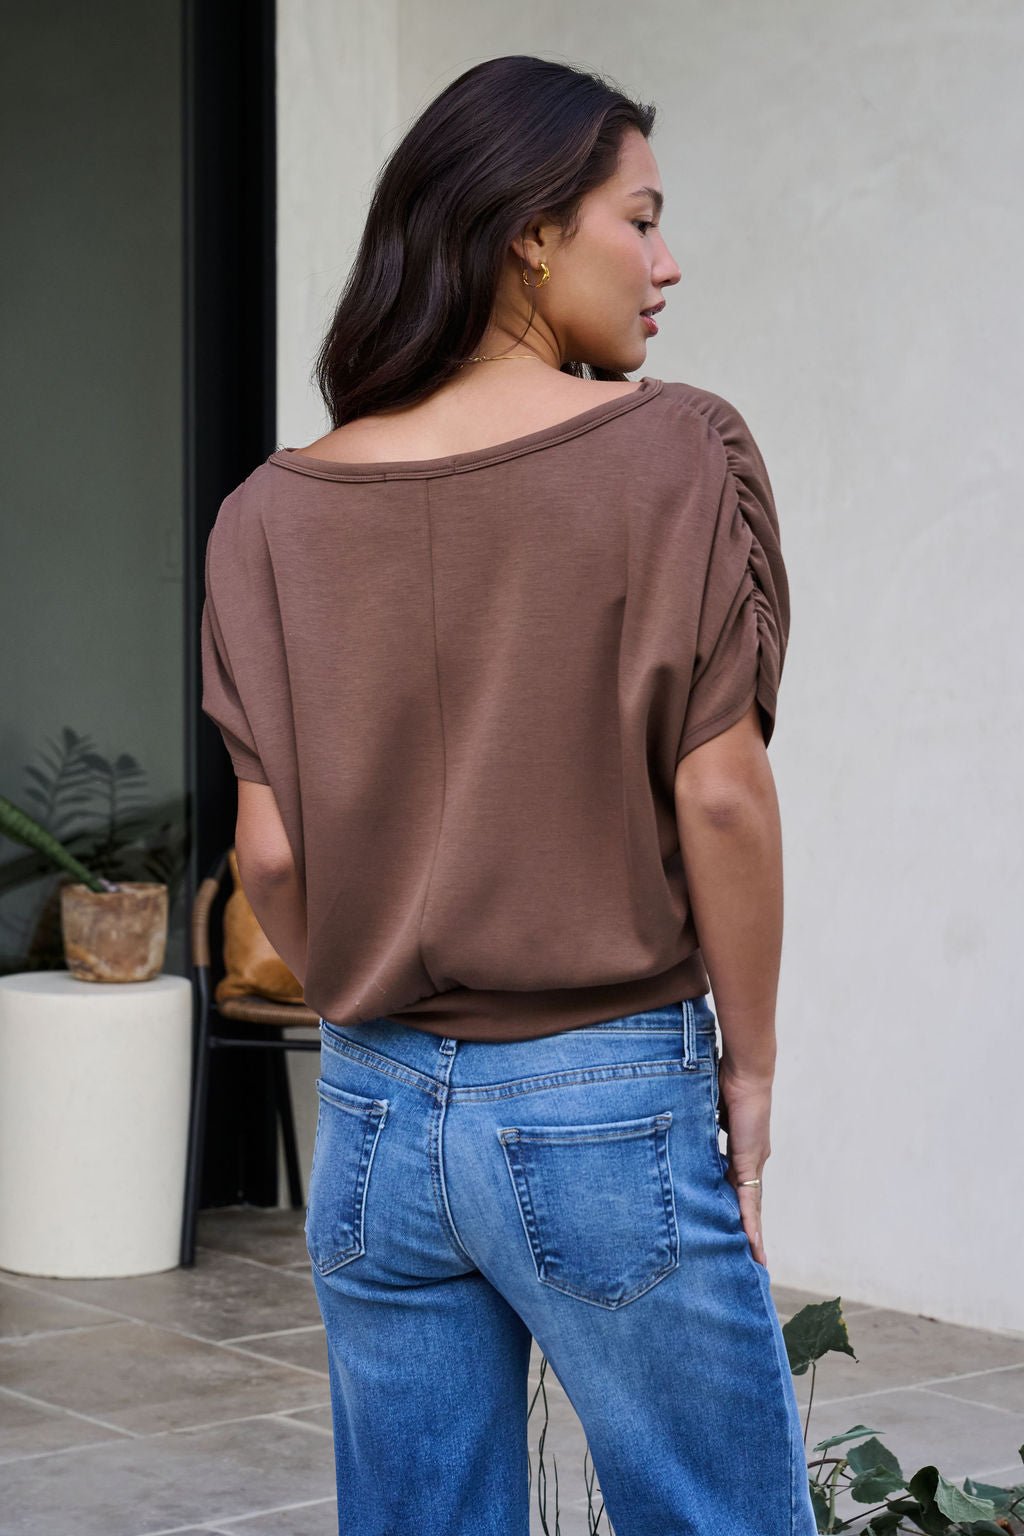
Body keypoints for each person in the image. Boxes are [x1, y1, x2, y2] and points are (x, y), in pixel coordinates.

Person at [201, 52, 817, 1536]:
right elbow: (721, 800)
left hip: (370, 1110)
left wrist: (385, 963)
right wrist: (750, 1064)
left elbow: (270, 855)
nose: (668, 264)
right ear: (531, 230)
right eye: (641, 218)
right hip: (598, 1093)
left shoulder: (270, 515)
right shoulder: (670, 450)